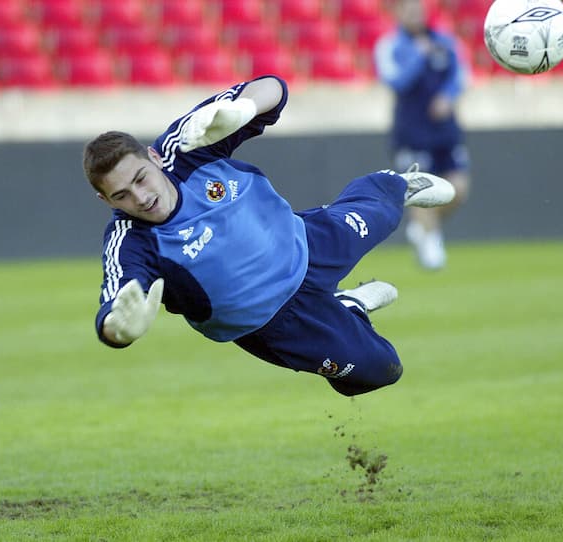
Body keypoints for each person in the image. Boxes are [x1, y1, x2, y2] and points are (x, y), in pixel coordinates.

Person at [82, 75, 455, 397]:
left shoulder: (187, 144)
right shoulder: (130, 241)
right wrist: (119, 331)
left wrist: (243, 109)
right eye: (121, 195)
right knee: (382, 369)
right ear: (105, 200)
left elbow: (273, 88)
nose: (140, 197)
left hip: (305, 243)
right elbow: (113, 305)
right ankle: (349, 307)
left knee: (384, 207)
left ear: (153, 157)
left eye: (141, 179)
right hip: (275, 323)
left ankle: (396, 184)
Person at [374, 0, 471, 270]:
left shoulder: (445, 41)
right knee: (420, 191)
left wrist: (448, 96)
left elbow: (461, 75)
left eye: (419, 10)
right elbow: (394, 81)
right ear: (398, 13)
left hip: (445, 130)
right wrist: (418, 56)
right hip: (412, 132)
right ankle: (431, 244)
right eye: (410, 11)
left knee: (459, 189)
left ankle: (425, 229)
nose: (416, 15)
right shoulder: (390, 45)